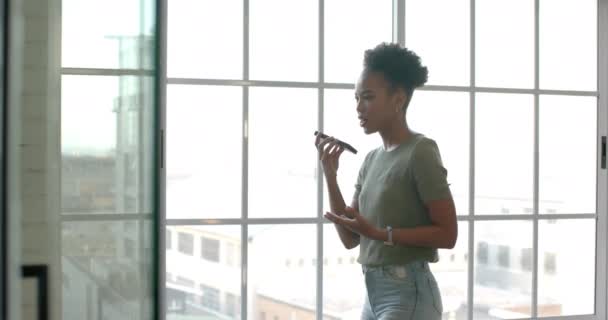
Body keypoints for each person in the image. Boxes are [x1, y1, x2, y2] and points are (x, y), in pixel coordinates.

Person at [315, 42, 458, 320]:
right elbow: (350, 238)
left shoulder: (421, 151)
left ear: (398, 99)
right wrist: (330, 176)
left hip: (409, 293)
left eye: (367, 97)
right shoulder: (371, 159)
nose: (358, 107)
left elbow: (448, 234)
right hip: (372, 296)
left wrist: (382, 235)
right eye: (356, 98)